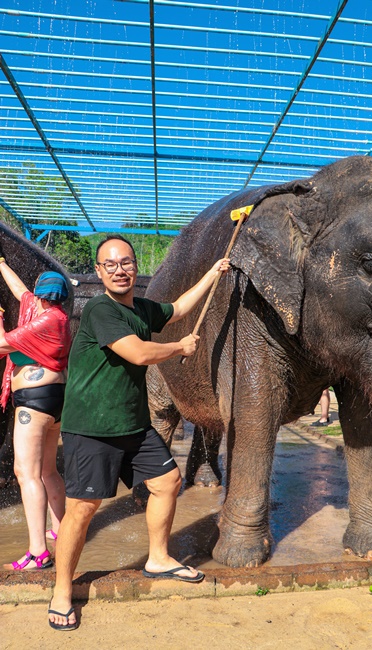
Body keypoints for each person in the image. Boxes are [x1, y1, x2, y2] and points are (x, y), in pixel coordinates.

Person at [47, 234, 230, 631]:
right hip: (92, 427)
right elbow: (139, 353)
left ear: (135, 267)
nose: (119, 269)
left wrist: (212, 275)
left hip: (132, 425)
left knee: (167, 481)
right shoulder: (100, 310)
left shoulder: (142, 308)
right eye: (109, 264)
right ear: (99, 272)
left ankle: (158, 558)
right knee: (83, 508)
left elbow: (179, 308)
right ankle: (62, 589)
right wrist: (179, 348)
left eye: (125, 262)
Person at [0, 256, 71, 571]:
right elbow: (20, 291)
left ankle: (38, 552)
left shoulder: (48, 321)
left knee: (25, 473)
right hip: (52, 401)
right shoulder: (50, 312)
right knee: (47, 472)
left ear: (42, 296)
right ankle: (61, 530)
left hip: (33, 403)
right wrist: (1, 264)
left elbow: (2, 344)